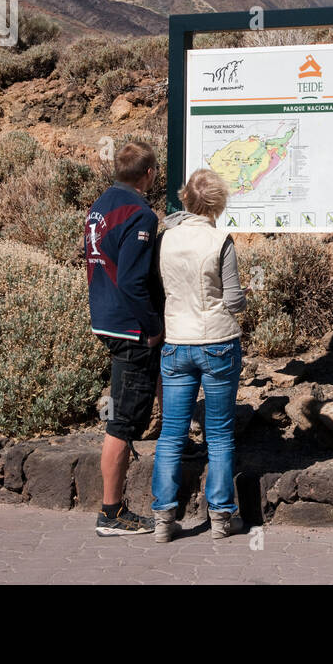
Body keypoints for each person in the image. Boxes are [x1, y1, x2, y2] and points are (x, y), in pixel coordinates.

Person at [150, 168, 246, 543]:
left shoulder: (165, 239)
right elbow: (234, 299)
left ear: (185, 198)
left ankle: (163, 519)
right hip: (218, 341)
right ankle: (222, 517)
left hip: (176, 342)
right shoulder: (221, 239)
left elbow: (162, 288)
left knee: (172, 433)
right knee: (220, 434)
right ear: (217, 202)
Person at [85, 141, 164, 536]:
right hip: (130, 328)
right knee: (121, 423)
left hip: (104, 317)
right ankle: (110, 514)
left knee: (119, 413)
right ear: (149, 173)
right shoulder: (142, 214)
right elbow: (133, 281)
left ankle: (113, 510)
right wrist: (153, 328)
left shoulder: (100, 204)